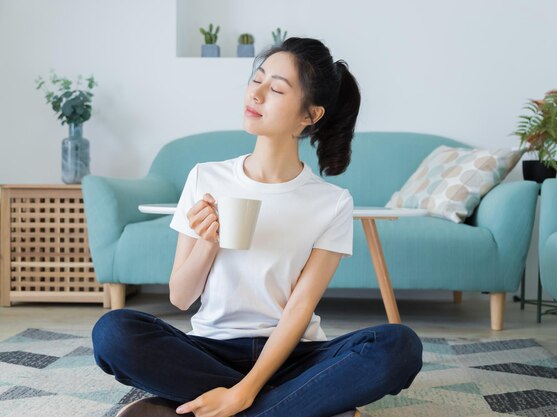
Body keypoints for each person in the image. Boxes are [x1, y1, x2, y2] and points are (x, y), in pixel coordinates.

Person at [92, 37, 422, 417]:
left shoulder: (331, 202)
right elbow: (180, 298)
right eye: (257, 79)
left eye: (277, 88)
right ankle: (297, 406)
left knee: (398, 346)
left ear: (309, 116)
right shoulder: (204, 177)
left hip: (293, 353)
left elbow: (299, 308)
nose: (257, 93)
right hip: (210, 348)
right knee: (113, 333)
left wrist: (245, 391)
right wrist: (207, 242)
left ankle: (216, 404)